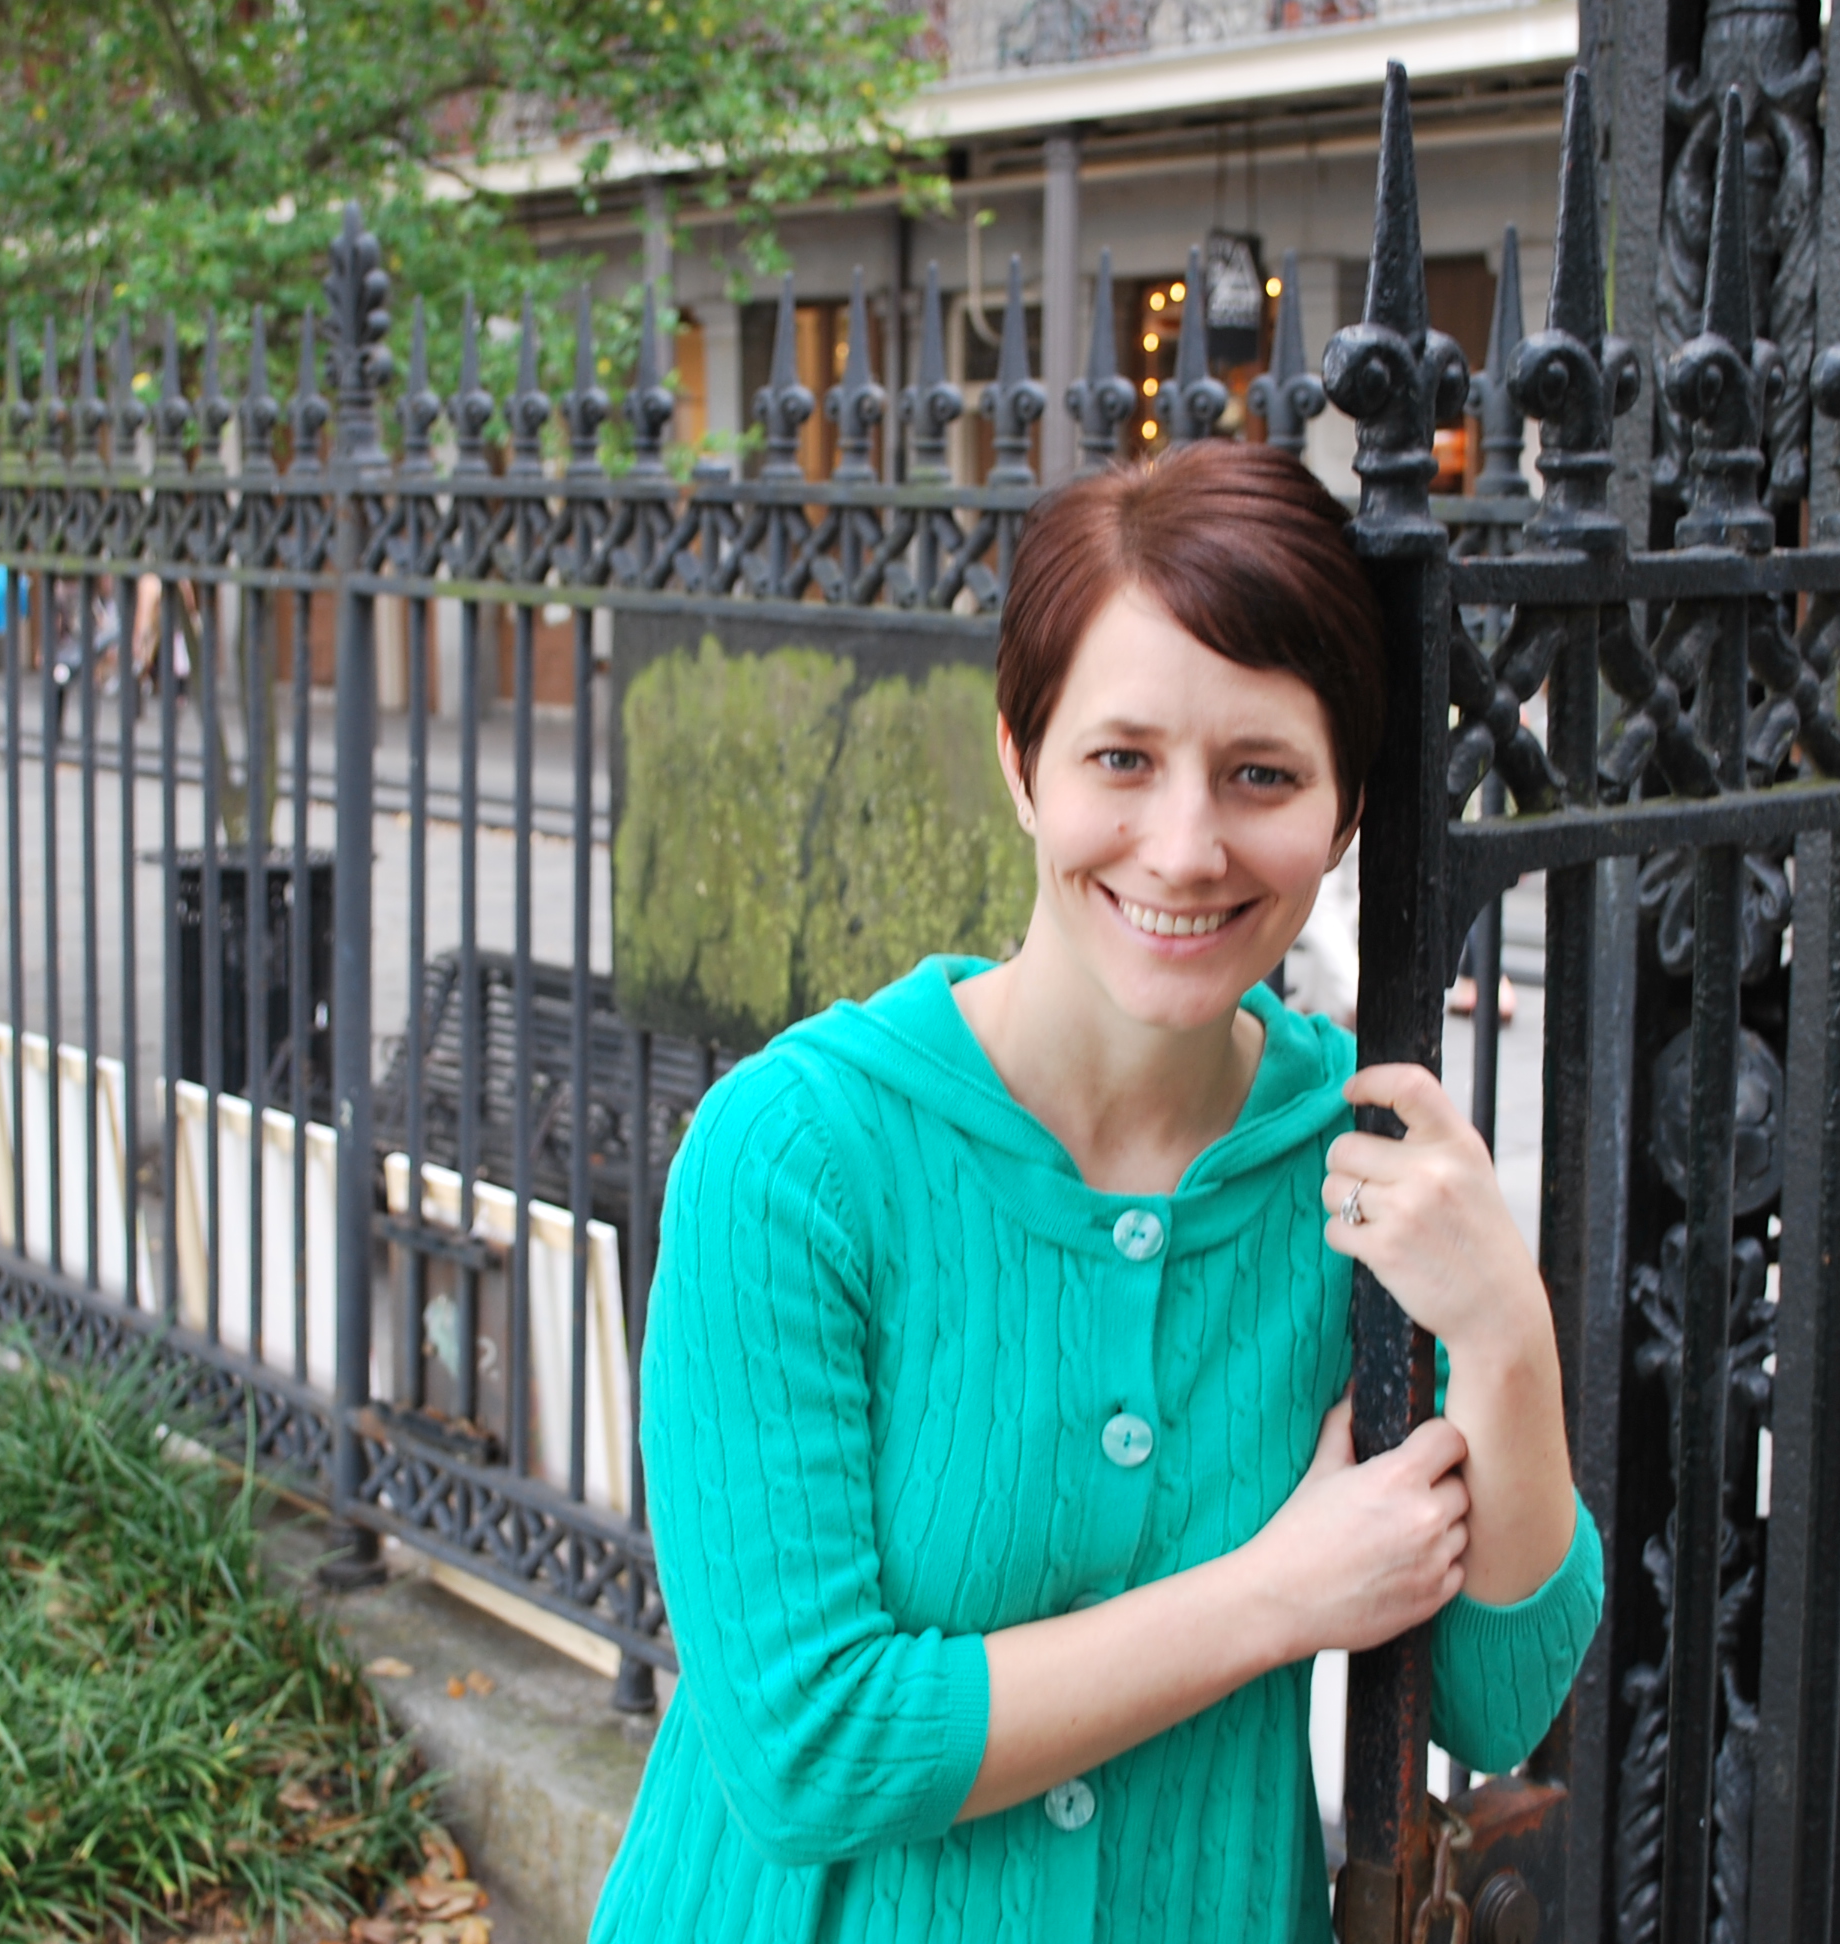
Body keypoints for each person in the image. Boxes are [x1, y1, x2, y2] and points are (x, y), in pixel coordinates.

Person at [593, 440, 1600, 1940]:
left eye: (1262, 775)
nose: (1184, 850)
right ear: (1022, 763)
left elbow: (1492, 1698)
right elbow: (807, 1749)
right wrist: (1275, 1595)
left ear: (1344, 814)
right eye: (1121, 760)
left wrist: (1508, 1335)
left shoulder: (1355, 1156)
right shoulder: (796, 1156)